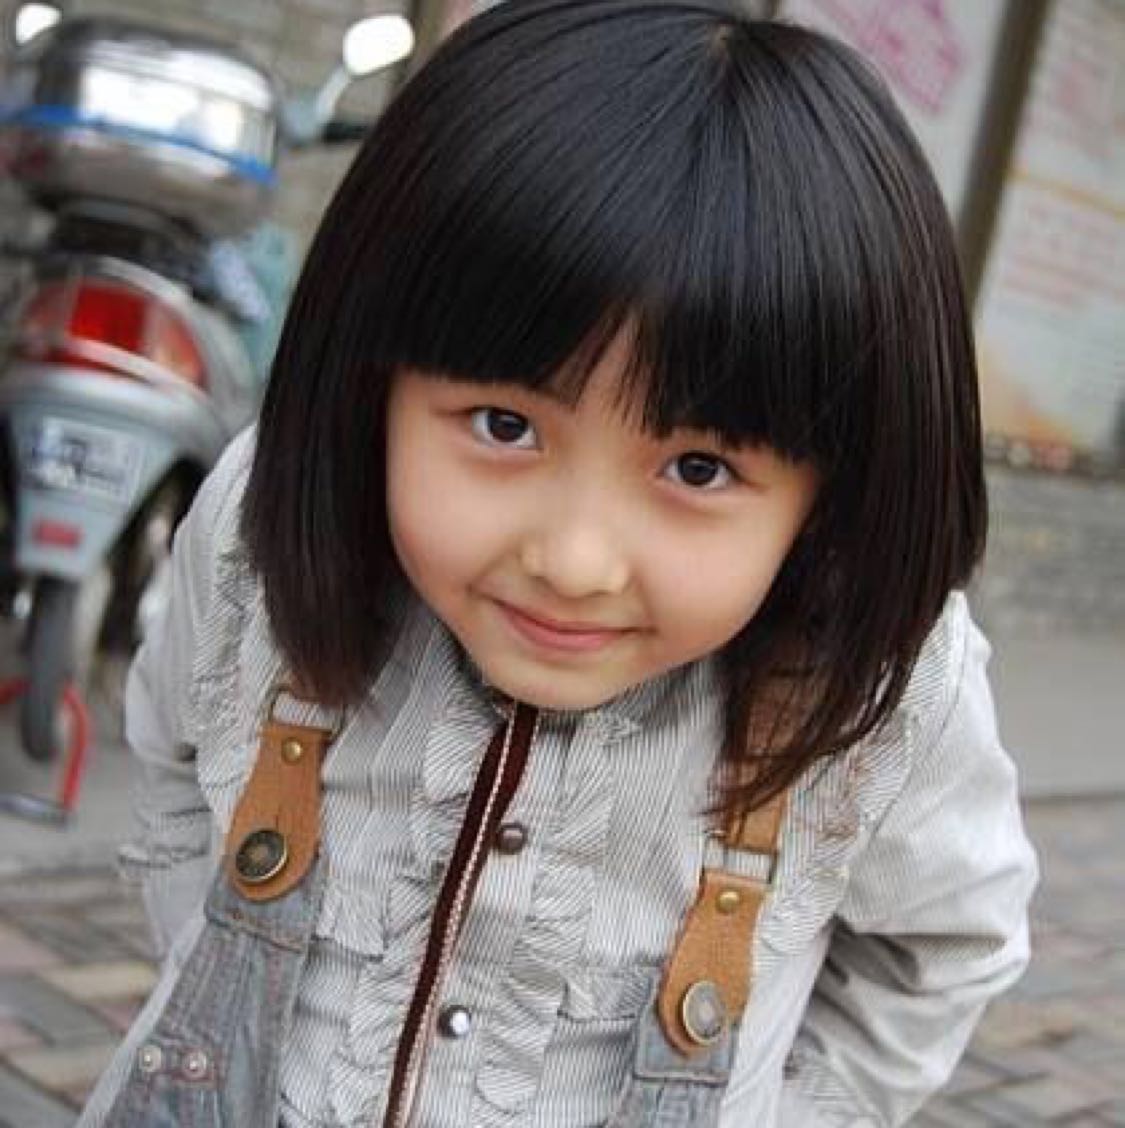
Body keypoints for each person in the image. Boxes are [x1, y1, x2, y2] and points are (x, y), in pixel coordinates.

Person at [79, 2, 1039, 1125]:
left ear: (832, 490)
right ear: (372, 379)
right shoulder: (265, 529)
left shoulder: (879, 686)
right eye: (503, 426)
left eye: (697, 468)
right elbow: (173, 755)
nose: (575, 562)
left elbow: (942, 947)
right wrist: (207, 995)